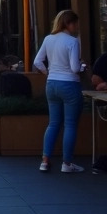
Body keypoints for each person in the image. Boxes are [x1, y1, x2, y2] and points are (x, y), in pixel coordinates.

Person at [33, 10, 85, 173]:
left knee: (54, 123)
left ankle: (45, 160)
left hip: (52, 84)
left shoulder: (49, 39)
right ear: (69, 24)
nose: (77, 26)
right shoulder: (72, 41)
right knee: (70, 124)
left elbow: (37, 61)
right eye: (75, 23)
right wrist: (83, 66)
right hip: (69, 84)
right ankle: (67, 163)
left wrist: (48, 72)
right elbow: (75, 68)